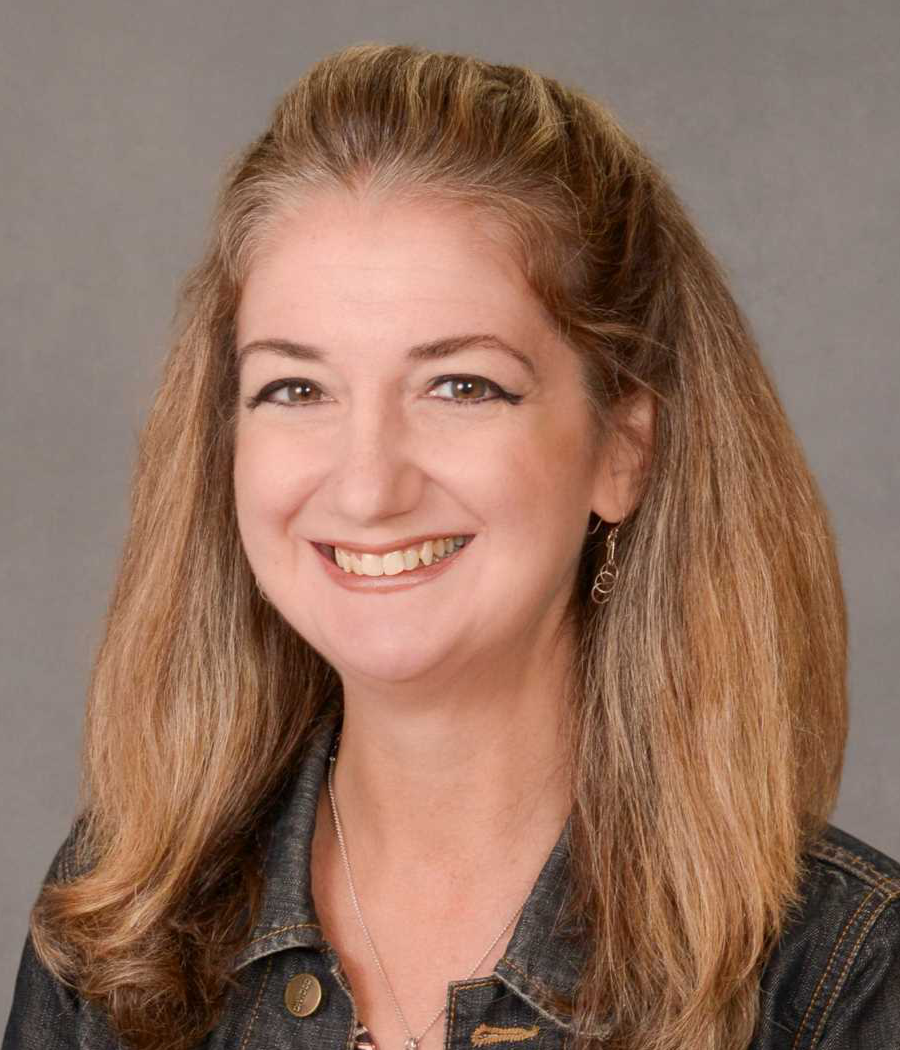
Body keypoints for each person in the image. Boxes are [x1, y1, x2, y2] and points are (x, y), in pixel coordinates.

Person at [3, 42, 899, 1050]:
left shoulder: (841, 977)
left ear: (623, 452)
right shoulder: (120, 927)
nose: (368, 484)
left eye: (461, 386)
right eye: (296, 389)